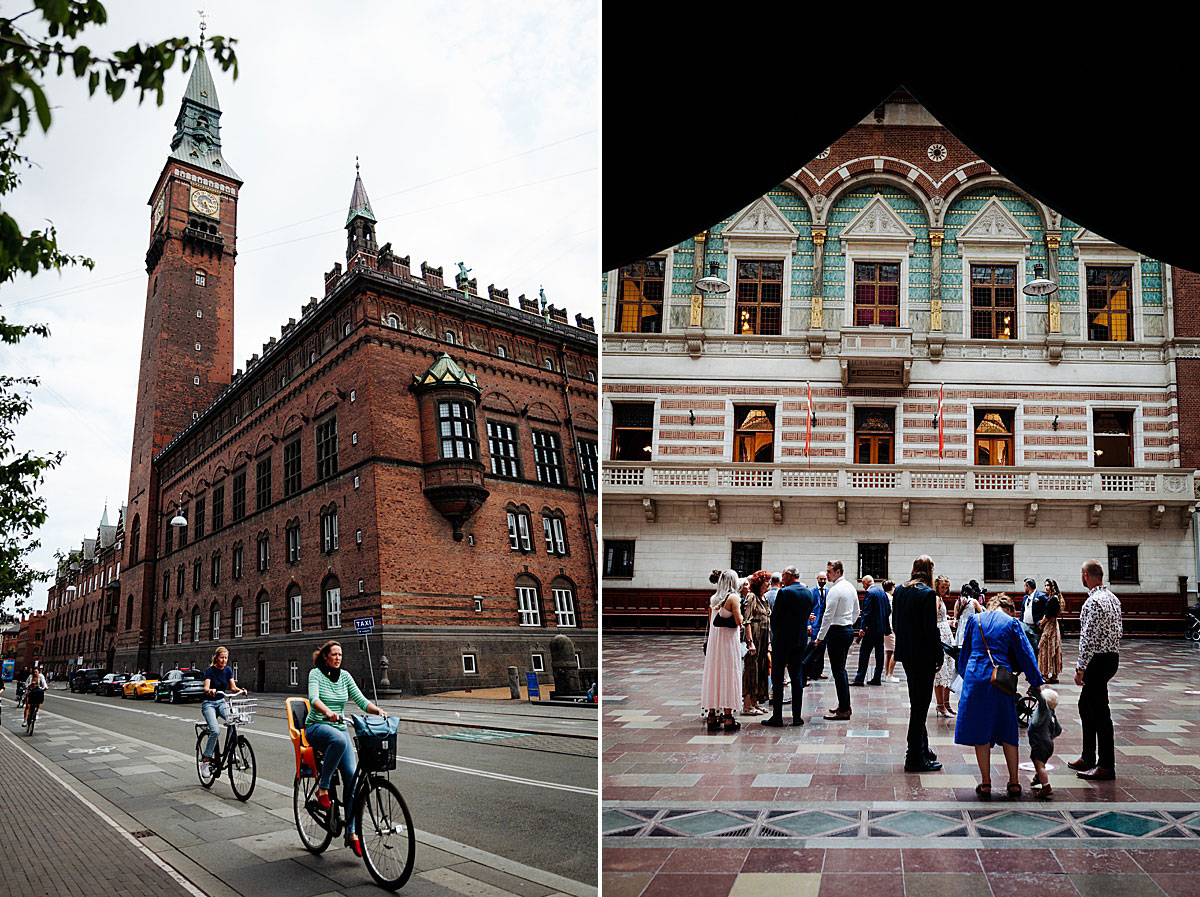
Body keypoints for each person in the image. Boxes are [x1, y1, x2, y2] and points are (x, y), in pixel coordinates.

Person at [955, 593, 1043, 799]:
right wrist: (1036, 681)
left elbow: (964, 652)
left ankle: (985, 782)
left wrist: (965, 675)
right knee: (1008, 728)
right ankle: (1013, 782)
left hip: (976, 676)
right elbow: (1025, 653)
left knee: (980, 730)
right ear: (1009, 608)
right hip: (1000, 679)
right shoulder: (1012, 622)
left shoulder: (974, 619)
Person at [306, 640, 389, 857]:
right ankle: (323, 787)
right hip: (317, 726)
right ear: (325, 656)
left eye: (340, 655)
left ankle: (351, 833)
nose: (337, 658)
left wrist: (377, 711)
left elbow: (361, 701)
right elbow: (313, 699)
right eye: (334, 654)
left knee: (352, 781)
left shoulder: (345, 676)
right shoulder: (315, 674)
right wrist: (327, 712)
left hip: (339, 728)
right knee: (341, 741)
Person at [1067, 559, 1123, 782]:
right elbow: (1118, 630)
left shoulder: (1091, 602)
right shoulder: (1113, 599)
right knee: (1086, 705)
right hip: (1111, 657)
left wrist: (1080, 668)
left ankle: (1106, 765)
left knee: (1100, 713)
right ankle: (1088, 756)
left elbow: (1087, 639)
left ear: (1085, 575)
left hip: (1096, 660)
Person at [891, 555, 943, 772]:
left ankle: (923, 748)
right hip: (924, 656)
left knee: (917, 703)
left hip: (907, 654)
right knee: (920, 707)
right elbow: (931, 630)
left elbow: (895, 622)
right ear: (930, 570)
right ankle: (914, 757)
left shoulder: (901, 590)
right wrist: (939, 655)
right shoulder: (928, 594)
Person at [761, 565, 813, 728]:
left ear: (790, 575)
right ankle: (797, 716)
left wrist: (775, 636)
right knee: (797, 676)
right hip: (800, 640)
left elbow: (775, 618)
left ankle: (777, 716)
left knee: (777, 676)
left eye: (784, 575)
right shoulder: (808, 592)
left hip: (783, 641)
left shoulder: (785, 592)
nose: (782, 578)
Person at [811, 560, 857, 720]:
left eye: (829, 571)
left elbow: (827, 616)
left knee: (838, 671)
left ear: (838, 572)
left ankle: (844, 709)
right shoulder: (850, 587)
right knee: (840, 669)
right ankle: (844, 704)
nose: (827, 574)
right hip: (848, 629)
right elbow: (856, 610)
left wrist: (819, 637)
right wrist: (848, 623)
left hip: (837, 631)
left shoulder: (835, 590)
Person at [701, 570, 744, 732]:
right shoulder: (733, 598)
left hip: (715, 642)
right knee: (729, 673)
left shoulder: (714, 598)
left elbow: (711, 619)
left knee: (714, 675)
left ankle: (711, 715)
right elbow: (739, 620)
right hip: (728, 642)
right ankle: (728, 717)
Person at [200, 647, 242, 774]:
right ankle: (205, 760)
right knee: (215, 731)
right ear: (216, 658)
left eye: (226, 658)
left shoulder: (228, 670)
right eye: (222, 657)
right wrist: (210, 690)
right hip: (209, 704)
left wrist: (241, 690)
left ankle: (230, 752)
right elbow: (206, 687)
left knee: (233, 721)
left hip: (221, 702)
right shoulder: (210, 671)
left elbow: (233, 687)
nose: (224, 660)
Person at [741, 570, 772, 715]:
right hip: (755, 637)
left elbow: (768, 620)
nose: (769, 584)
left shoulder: (763, 598)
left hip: (764, 638)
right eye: (767, 581)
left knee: (761, 669)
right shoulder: (751, 597)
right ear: (760, 583)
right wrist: (750, 642)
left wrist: (769, 642)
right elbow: (747, 621)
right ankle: (747, 705)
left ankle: (755, 702)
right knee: (751, 670)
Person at [851, 574, 890, 686]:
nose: (863, 587)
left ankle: (860, 678)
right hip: (880, 628)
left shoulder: (869, 593)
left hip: (871, 629)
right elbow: (888, 610)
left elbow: (866, 612)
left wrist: (862, 627)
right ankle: (877, 677)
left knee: (864, 653)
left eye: (863, 584)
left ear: (866, 583)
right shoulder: (882, 593)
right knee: (879, 654)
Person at [1028, 687, 1062, 799]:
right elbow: (1059, 729)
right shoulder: (1052, 714)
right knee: (1036, 759)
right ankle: (1038, 777)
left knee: (1040, 765)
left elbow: (1042, 701)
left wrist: (1034, 690)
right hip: (1047, 744)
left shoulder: (1043, 710)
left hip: (1040, 743)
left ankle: (1046, 786)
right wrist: (1052, 736)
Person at [933, 575, 956, 717]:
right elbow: (933, 616)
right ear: (937, 586)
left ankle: (946, 703)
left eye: (946, 587)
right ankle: (940, 704)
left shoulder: (940, 599)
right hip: (940, 634)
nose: (944, 590)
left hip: (946, 633)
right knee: (941, 672)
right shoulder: (935, 598)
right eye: (942, 587)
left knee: (948, 669)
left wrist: (947, 620)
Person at [1038, 578, 1064, 684]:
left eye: (1047, 586)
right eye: (1045, 586)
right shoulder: (1055, 598)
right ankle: (1054, 674)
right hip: (1053, 624)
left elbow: (1048, 615)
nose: (1046, 588)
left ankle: (1045, 673)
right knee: (1053, 647)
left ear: (1052, 587)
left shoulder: (1053, 599)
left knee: (1044, 647)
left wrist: (1041, 623)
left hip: (1050, 625)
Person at [1021, 577, 1048, 656]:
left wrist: (1041, 623)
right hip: (1025, 625)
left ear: (1028, 586)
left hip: (1035, 626)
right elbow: (1023, 609)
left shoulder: (1041, 596)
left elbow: (1047, 610)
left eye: (1024, 586)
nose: (1024, 588)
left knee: (1035, 647)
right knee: (1025, 646)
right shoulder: (1025, 597)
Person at [882, 580, 899, 682]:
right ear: (892, 587)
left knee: (888, 652)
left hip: (885, 627)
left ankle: (886, 674)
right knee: (895, 651)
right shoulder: (892, 599)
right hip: (891, 627)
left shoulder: (883, 597)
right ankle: (890, 675)